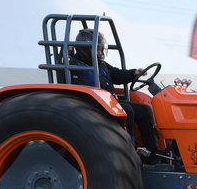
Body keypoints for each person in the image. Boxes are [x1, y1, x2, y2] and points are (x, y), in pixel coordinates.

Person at [69, 28, 167, 163]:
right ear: (86, 49)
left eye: (101, 50)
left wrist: (133, 73)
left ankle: (153, 151)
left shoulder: (99, 63)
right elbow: (84, 91)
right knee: (127, 111)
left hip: (109, 103)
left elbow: (116, 74)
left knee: (145, 110)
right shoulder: (75, 66)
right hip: (94, 106)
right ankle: (128, 153)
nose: (100, 53)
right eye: (97, 50)